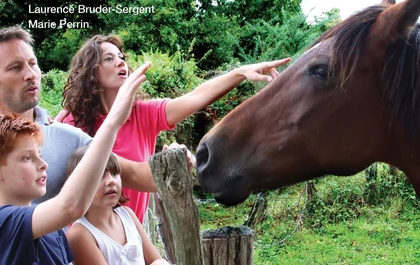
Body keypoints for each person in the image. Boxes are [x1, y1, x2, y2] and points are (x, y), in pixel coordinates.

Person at [0, 26, 155, 265]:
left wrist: (205, 166)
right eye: (15, 67)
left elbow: (132, 174)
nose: (31, 73)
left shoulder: (63, 138)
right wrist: (113, 121)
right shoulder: (6, 216)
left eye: (33, 63)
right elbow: (68, 208)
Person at [60, 34, 291, 222]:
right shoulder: (73, 124)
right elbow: (140, 177)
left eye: (121, 57)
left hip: (129, 236)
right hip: (84, 239)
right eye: (109, 59)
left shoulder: (142, 114)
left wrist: (240, 72)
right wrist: (174, 164)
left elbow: (195, 97)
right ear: (91, 72)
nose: (121, 62)